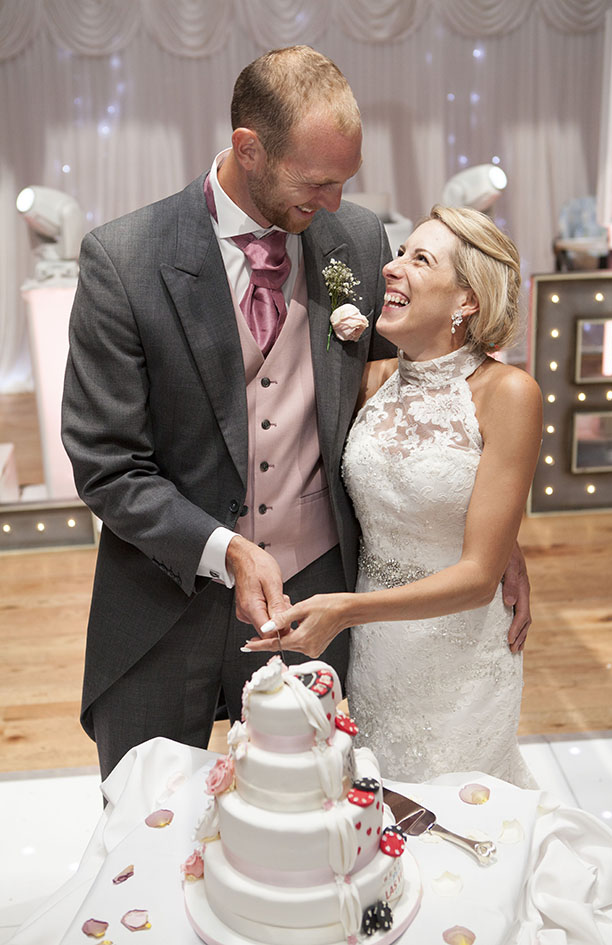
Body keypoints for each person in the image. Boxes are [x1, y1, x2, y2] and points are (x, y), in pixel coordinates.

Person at [62, 45, 531, 781]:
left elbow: (425, 386)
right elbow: (106, 463)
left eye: (346, 181)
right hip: (163, 600)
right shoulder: (125, 260)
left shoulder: (354, 241)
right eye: (318, 182)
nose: (336, 204)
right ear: (249, 149)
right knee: (146, 824)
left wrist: (492, 533)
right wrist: (225, 547)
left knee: (301, 828)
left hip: (315, 596)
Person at [244, 205, 542, 787]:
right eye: (400, 252)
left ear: (468, 300)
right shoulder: (372, 383)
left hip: (461, 657)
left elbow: (480, 575)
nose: (390, 267)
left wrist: (345, 610)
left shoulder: (508, 393)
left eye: (420, 259)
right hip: (380, 653)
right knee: (388, 810)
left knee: (460, 812)